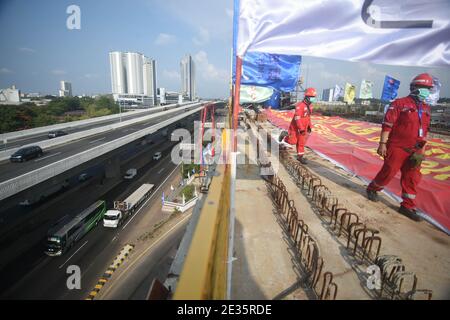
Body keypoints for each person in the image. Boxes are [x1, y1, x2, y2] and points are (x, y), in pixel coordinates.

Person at [366, 73, 434, 221]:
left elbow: (425, 130)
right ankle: (373, 188)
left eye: (428, 88)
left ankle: (407, 205)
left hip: (415, 149)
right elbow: (387, 125)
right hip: (397, 146)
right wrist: (382, 144)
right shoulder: (399, 104)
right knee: (389, 171)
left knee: (412, 177)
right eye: (424, 88)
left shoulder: (426, 108)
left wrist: (422, 150)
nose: (426, 91)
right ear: (415, 87)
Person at [279, 87, 317, 164]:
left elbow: (308, 117)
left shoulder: (310, 106)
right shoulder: (300, 106)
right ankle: (284, 135)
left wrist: (309, 126)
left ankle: (300, 157)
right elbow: (297, 118)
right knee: (292, 141)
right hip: (296, 127)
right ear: (307, 97)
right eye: (312, 97)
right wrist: (301, 128)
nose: (313, 99)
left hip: (304, 127)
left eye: (314, 97)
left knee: (301, 142)